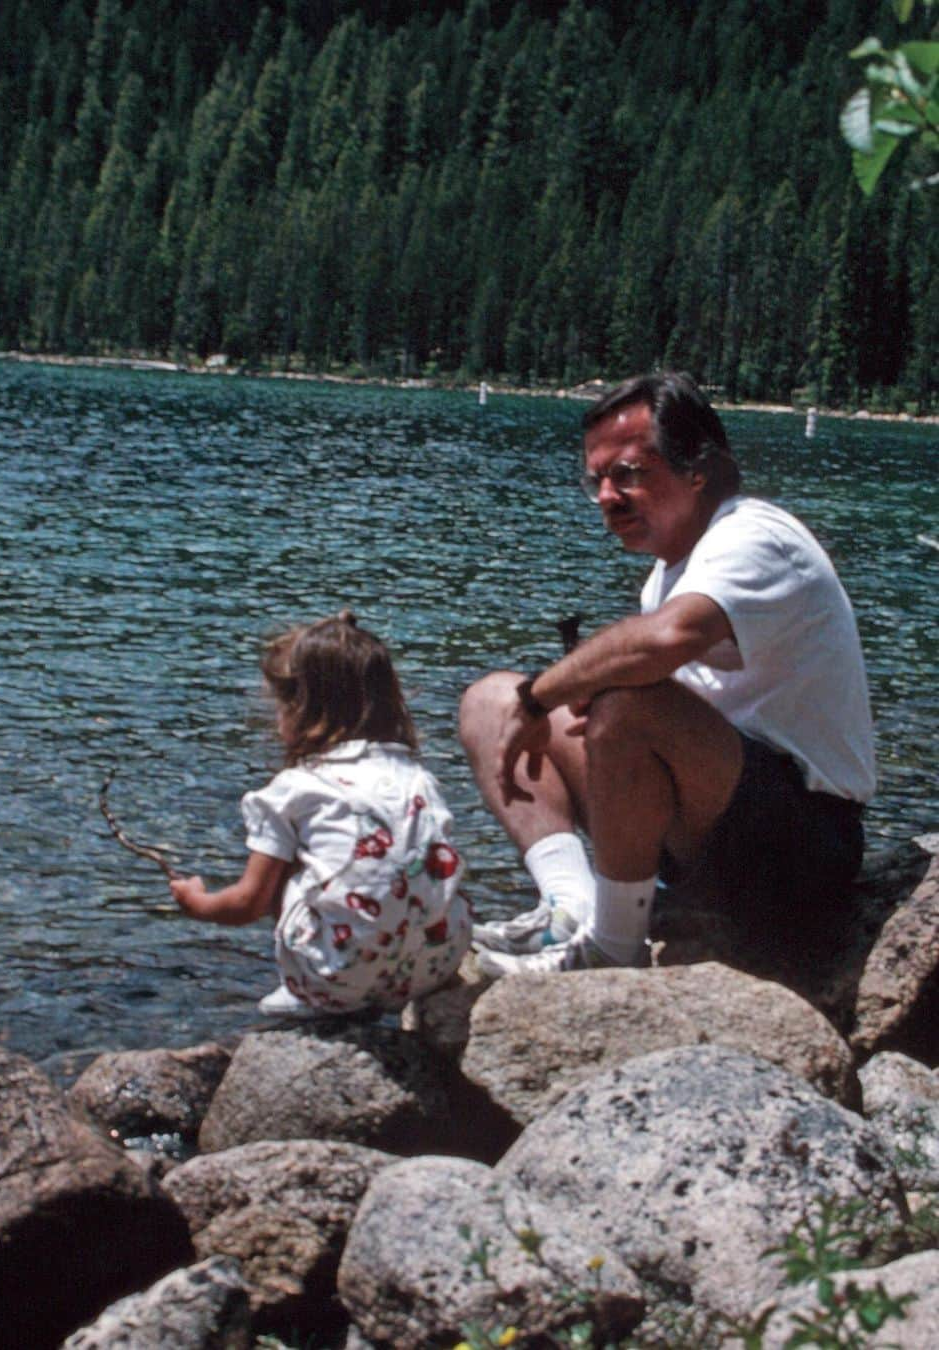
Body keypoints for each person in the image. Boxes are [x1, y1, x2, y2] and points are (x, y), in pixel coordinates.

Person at [459, 371, 874, 976]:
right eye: (595, 479)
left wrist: (543, 697)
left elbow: (665, 640)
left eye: (627, 473)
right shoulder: (669, 572)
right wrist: (537, 704)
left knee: (623, 705)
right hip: (715, 831)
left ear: (697, 469)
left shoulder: (755, 537)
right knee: (490, 701)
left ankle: (613, 949)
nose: (606, 496)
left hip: (806, 850)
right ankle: (571, 908)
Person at [170, 611, 471, 1017]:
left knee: (290, 866)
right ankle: (400, 965)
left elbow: (247, 903)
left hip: (336, 980)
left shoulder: (297, 790)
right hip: (434, 968)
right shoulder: (418, 778)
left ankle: (307, 988)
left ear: (302, 708)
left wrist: (198, 903)